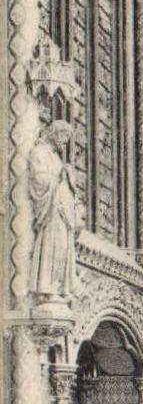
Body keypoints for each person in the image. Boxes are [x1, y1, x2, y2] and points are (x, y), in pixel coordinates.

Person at [27, 120, 79, 298]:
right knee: (53, 246)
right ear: (54, 133)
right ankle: (48, 288)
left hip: (63, 213)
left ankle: (57, 288)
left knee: (63, 249)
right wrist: (59, 176)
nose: (64, 143)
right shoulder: (39, 152)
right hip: (51, 212)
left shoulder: (55, 157)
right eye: (63, 138)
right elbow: (39, 180)